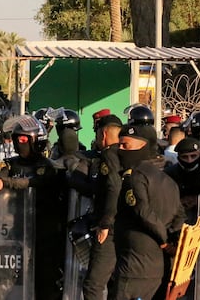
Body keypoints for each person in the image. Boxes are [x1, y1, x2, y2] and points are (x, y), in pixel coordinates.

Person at [0, 115, 67, 299]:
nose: (20, 144)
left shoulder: (47, 167)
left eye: (24, 140)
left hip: (44, 235)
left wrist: (5, 183)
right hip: (15, 232)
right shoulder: (11, 164)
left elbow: (31, 182)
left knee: (44, 283)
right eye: (17, 139)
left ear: (36, 141)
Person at [109, 124, 184, 300]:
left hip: (135, 267)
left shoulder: (135, 177)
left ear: (142, 146)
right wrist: (173, 241)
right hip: (160, 268)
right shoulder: (167, 180)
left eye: (125, 145)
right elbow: (179, 214)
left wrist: (165, 240)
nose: (119, 150)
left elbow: (142, 212)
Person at [74, 114, 123, 300]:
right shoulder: (126, 154)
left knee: (93, 285)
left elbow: (113, 187)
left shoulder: (109, 155)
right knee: (114, 282)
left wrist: (105, 223)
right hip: (124, 226)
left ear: (102, 135)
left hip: (109, 229)